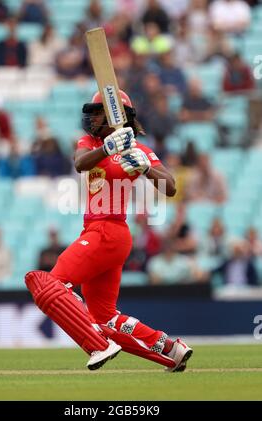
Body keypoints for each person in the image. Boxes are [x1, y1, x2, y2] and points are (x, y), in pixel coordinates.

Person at [25, 90, 193, 372]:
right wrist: (107, 148)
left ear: (117, 116)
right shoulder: (89, 143)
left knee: (46, 284)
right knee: (105, 318)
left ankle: (98, 345)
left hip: (108, 231)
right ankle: (170, 349)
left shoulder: (139, 150)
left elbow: (171, 186)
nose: (91, 118)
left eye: (97, 112)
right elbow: (80, 163)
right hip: (98, 232)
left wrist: (145, 169)